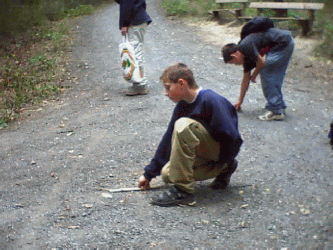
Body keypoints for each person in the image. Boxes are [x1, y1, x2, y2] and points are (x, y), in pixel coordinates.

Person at [137, 63, 243, 207]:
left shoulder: (210, 99)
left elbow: (232, 136)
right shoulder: (182, 106)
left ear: (181, 83)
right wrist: (148, 174)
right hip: (209, 153)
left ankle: (183, 191)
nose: (166, 93)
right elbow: (168, 140)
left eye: (168, 87)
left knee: (183, 125)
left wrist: (224, 156)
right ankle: (225, 168)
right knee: (168, 174)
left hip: (221, 151)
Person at [222, 27, 294, 121]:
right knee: (272, 74)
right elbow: (245, 80)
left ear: (234, 56)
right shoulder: (245, 58)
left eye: (233, 62)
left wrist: (254, 75)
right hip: (283, 43)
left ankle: (276, 111)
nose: (235, 65)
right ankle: (279, 105)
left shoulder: (245, 46)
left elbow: (261, 63)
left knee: (266, 72)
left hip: (283, 43)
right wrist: (240, 101)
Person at [115, 0, 152, 96]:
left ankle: (140, 84)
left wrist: (124, 24)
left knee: (135, 53)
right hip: (138, 19)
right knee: (135, 52)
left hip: (135, 22)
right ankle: (140, 82)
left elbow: (126, 4)